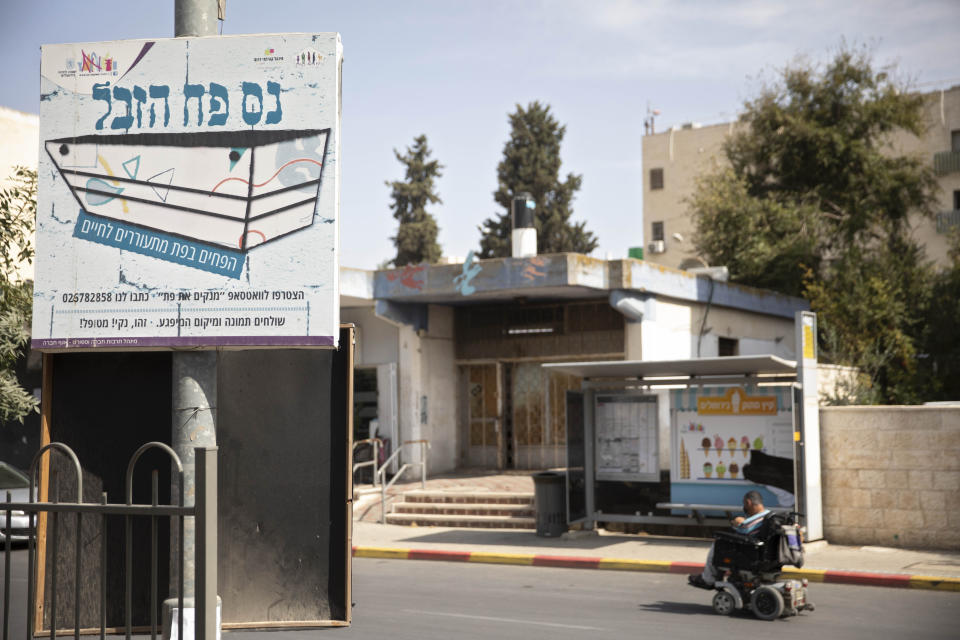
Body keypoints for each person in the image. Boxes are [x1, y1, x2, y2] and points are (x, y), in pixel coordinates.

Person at [688, 490, 771, 589]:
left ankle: (708, 579)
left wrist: (737, 523)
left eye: (745, 504)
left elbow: (742, 530)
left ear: (748, 502)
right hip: (764, 553)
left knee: (719, 542)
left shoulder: (754, 520)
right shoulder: (768, 515)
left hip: (750, 553)